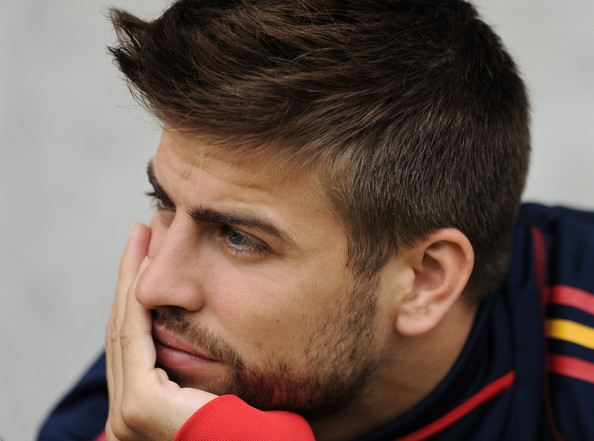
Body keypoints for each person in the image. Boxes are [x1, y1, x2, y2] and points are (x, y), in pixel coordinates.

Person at [38, 0, 594, 440]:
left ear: (425, 279)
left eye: (238, 237)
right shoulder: (165, 381)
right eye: (162, 201)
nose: (154, 284)